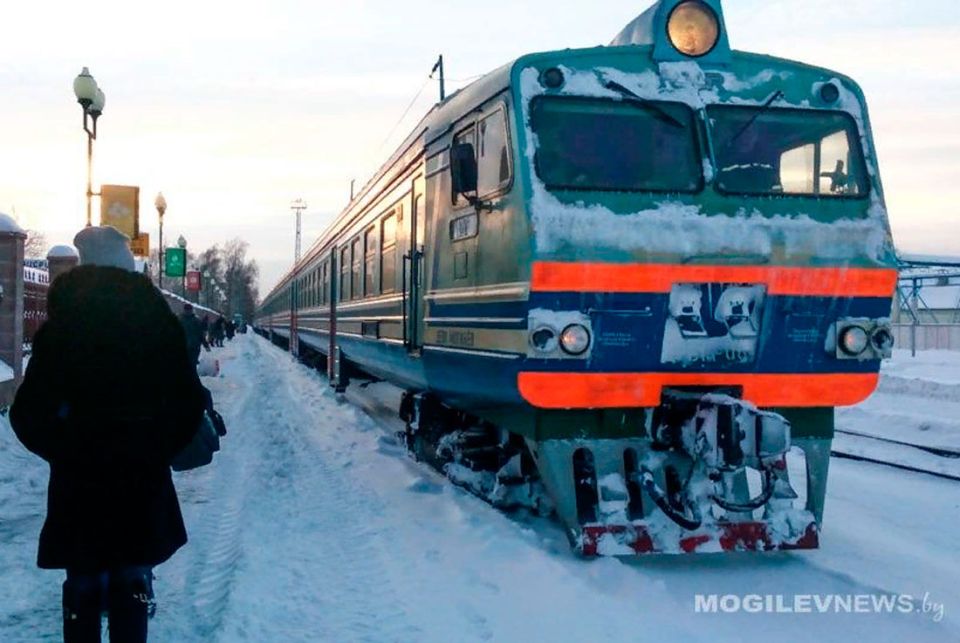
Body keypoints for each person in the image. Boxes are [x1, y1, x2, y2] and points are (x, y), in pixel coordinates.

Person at [10, 226, 207, 643]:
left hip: (78, 486)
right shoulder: (157, 325)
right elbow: (188, 404)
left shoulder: (60, 330)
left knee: (82, 583)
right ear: (125, 266)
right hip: (141, 483)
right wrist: (154, 449)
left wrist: (66, 449)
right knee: (131, 578)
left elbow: (27, 414)